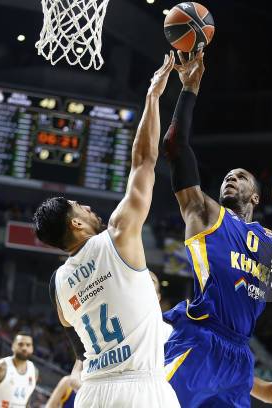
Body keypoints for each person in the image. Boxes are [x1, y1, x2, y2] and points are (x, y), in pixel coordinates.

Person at [161, 50, 272, 407]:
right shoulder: (206, 212)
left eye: (240, 177)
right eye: (227, 176)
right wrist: (189, 90)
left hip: (240, 357)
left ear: (256, 197)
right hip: (200, 340)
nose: (230, 178)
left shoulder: (271, 239)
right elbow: (175, 147)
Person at [33, 52, 179, 407]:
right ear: (76, 223)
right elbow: (144, 161)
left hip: (94, 394)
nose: (88, 207)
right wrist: (153, 97)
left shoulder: (58, 284)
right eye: (80, 207)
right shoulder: (117, 236)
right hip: (142, 389)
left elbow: (70, 329)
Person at [0, 333, 38, 408]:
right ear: (13, 346)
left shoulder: (33, 370)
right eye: (20, 344)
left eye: (28, 345)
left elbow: (27, 401)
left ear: (32, 348)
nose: (24, 348)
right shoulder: (1, 367)